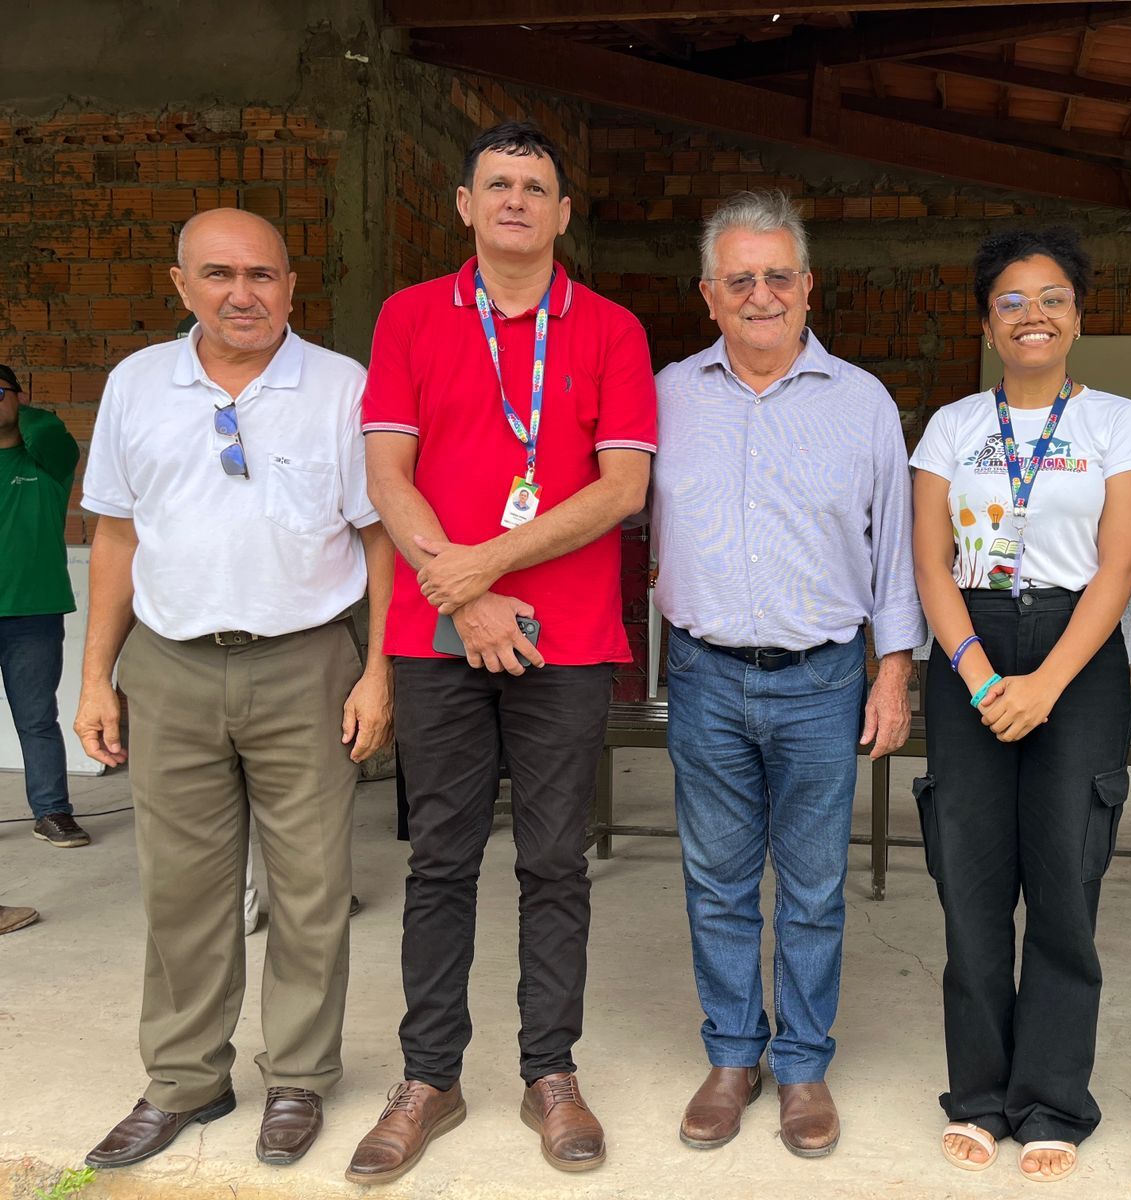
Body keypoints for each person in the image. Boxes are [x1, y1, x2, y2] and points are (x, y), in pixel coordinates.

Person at [348, 120, 656, 1184]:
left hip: (565, 642)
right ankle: (428, 1078)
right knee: (439, 859)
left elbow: (623, 488)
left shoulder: (610, 327)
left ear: (563, 212)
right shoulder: (409, 316)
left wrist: (482, 567)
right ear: (466, 206)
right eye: (497, 184)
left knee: (554, 860)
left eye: (535, 186)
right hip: (437, 638)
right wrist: (465, 593)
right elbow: (388, 475)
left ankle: (549, 1074)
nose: (516, 200)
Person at [74, 207, 395, 1170]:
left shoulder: (341, 386)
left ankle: (298, 1077)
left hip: (306, 665)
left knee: (310, 889)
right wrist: (95, 677)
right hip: (170, 666)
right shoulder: (137, 385)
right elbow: (116, 534)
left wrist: (378, 672)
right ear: (182, 286)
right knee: (182, 890)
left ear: (291, 287)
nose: (242, 293)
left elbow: (380, 536)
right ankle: (185, 1080)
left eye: (262, 275)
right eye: (218, 274)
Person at [651, 190, 925, 1158]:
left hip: (822, 680)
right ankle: (734, 1056)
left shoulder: (861, 403)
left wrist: (894, 672)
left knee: (812, 887)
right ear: (708, 295)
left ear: (808, 286)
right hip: (705, 675)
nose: (759, 294)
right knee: (717, 881)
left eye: (777, 276)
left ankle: (803, 1064)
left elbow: (895, 549)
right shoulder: (666, 395)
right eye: (739, 280)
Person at [908, 228, 1131, 1183]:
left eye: (1052, 298)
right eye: (1011, 301)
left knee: (1064, 879)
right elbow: (931, 564)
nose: (1033, 315)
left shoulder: (1114, 424)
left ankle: (1053, 1100)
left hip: (1076, 649)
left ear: (1078, 317)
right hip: (969, 643)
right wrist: (978, 678)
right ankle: (977, 1094)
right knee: (969, 882)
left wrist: (1046, 684)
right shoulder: (952, 426)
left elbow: (1120, 564)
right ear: (987, 325)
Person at [0, 363, 87, 849]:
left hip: (33, 612)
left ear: (20, 397)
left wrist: (19, 409)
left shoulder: (47, 462)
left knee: (36, 718)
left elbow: (50, 429)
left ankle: (52, 812)